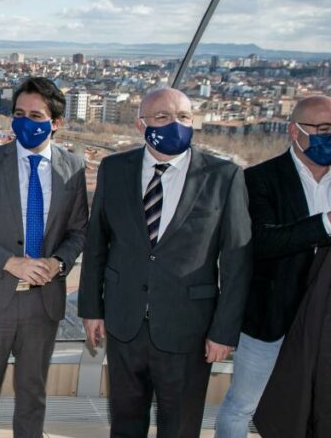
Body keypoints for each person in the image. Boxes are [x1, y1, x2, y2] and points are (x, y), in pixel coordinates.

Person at [78, 87, 251, 438]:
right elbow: (97, 243)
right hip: (124, 323)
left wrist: (223, 332)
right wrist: (91, 309)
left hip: (189, 329)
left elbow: (237, 260)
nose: (176, 125)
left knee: (180, 427)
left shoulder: (223, 177)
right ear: (142, 124)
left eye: (184, 117)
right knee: (125, 422)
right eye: (163, 117)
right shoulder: (115, 169)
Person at [0, 77, 88, 438]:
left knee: (33, 393)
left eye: (35, 115)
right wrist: (8, 261)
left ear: (56, 123)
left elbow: (79, 230)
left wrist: (59, 263)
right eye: (19, 114)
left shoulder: (74, 168)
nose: (25, 122)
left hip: (43, 303)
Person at [216, 95, 331, 437]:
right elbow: (262, 242)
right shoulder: (259, 179)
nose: (329, 136)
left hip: (326, 320)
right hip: (272, 319)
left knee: (318, 405)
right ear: (294, 131)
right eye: (323, 128)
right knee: (242, 407)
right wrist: (324, 223)